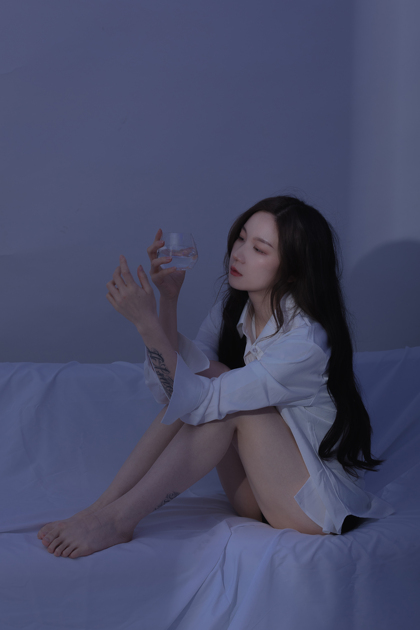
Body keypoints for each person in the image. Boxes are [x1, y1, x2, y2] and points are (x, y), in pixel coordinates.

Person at [37, 195, 394, 558]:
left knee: (230, 407)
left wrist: (147, 325)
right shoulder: (234, 310)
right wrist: (169, 301)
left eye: (259, 249)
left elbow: (200, 401)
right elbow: (174, 391)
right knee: (209, 381)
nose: (238, 254)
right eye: (241, 238)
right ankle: (101, 509)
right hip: (255, 494)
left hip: (311, 507)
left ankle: (119, 519)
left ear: (293, 270)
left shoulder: (305, 342)